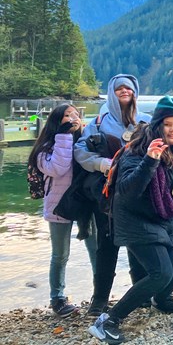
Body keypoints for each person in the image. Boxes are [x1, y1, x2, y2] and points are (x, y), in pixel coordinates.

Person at [88, 96, 173, 344]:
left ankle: (161, 300)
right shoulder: (136, 151)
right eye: (168, 124)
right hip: (133, 219)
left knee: (171, 278)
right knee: (160, 274)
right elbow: (127, 190)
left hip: (160, 220)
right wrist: (150, 160)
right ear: (157, 125)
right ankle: (107, 321)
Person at [75, 74, 149, 316]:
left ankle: (140, 294)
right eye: (119, 88)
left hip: (136, 193)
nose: (124, 91)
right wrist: (102, 163)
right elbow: (80, 151)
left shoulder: (146, 121)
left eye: (129, 87)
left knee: (137, 243)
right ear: (111, 92)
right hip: (105, 195)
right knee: (106, 245)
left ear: (136, 92)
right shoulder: (98, 122)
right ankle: (100, 299)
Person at [28, 104, 97, 317]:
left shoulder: (84, 142)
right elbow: (58, 169)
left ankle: (100, 293)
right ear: (57, 120)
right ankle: (57, 298)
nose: (73, 118)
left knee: (96, 249)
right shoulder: (45, 148)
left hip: (85, 203)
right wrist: (64, 136)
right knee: (60, 255)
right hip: (58, 204)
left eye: (76, 115)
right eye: (68, 115)